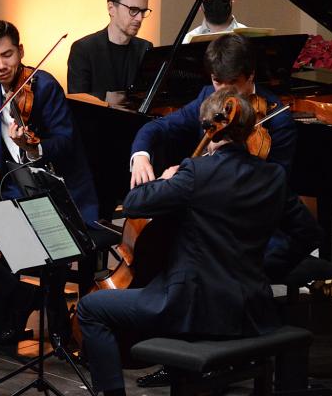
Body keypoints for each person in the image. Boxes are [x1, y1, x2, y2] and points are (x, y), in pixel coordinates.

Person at [128, 33, 320, 387]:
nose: (224, 94)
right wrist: (141, 155)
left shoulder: (277, 121)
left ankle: (213, 348)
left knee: (198, 256)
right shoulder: (208, 99)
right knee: (173, 245)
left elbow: (272, 192)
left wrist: (190, 176)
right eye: (217, 83)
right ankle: (177, 352)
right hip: (209, 220)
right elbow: (157, 128)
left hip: (253, 230)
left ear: (249, 77)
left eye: (232, 84)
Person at [78, 88, 290, 396]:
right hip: (250, 308)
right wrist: (260, 270)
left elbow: (135, 203)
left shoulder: (194, 173)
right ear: (249, 129)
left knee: (90, 307)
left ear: (208, 128)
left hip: (191, 308)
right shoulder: (274, 176)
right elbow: (305, 234)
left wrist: (167, 180)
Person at [0, 20, 101, 349]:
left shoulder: (43, 86)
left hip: (56, 193)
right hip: (13, 192)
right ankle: (22, 296)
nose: (1, 65)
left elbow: (66, 141)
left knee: (45, 246)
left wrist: (33, 146)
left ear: (21, 52)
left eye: (8, 55)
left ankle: (53, 324)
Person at [67, 0, 153, 101]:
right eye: (133, 10)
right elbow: (77, 101)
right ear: (111, 8)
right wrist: (105, 98)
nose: (139, 18)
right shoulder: (83, 49)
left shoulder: (145, 48)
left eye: (143, 11)